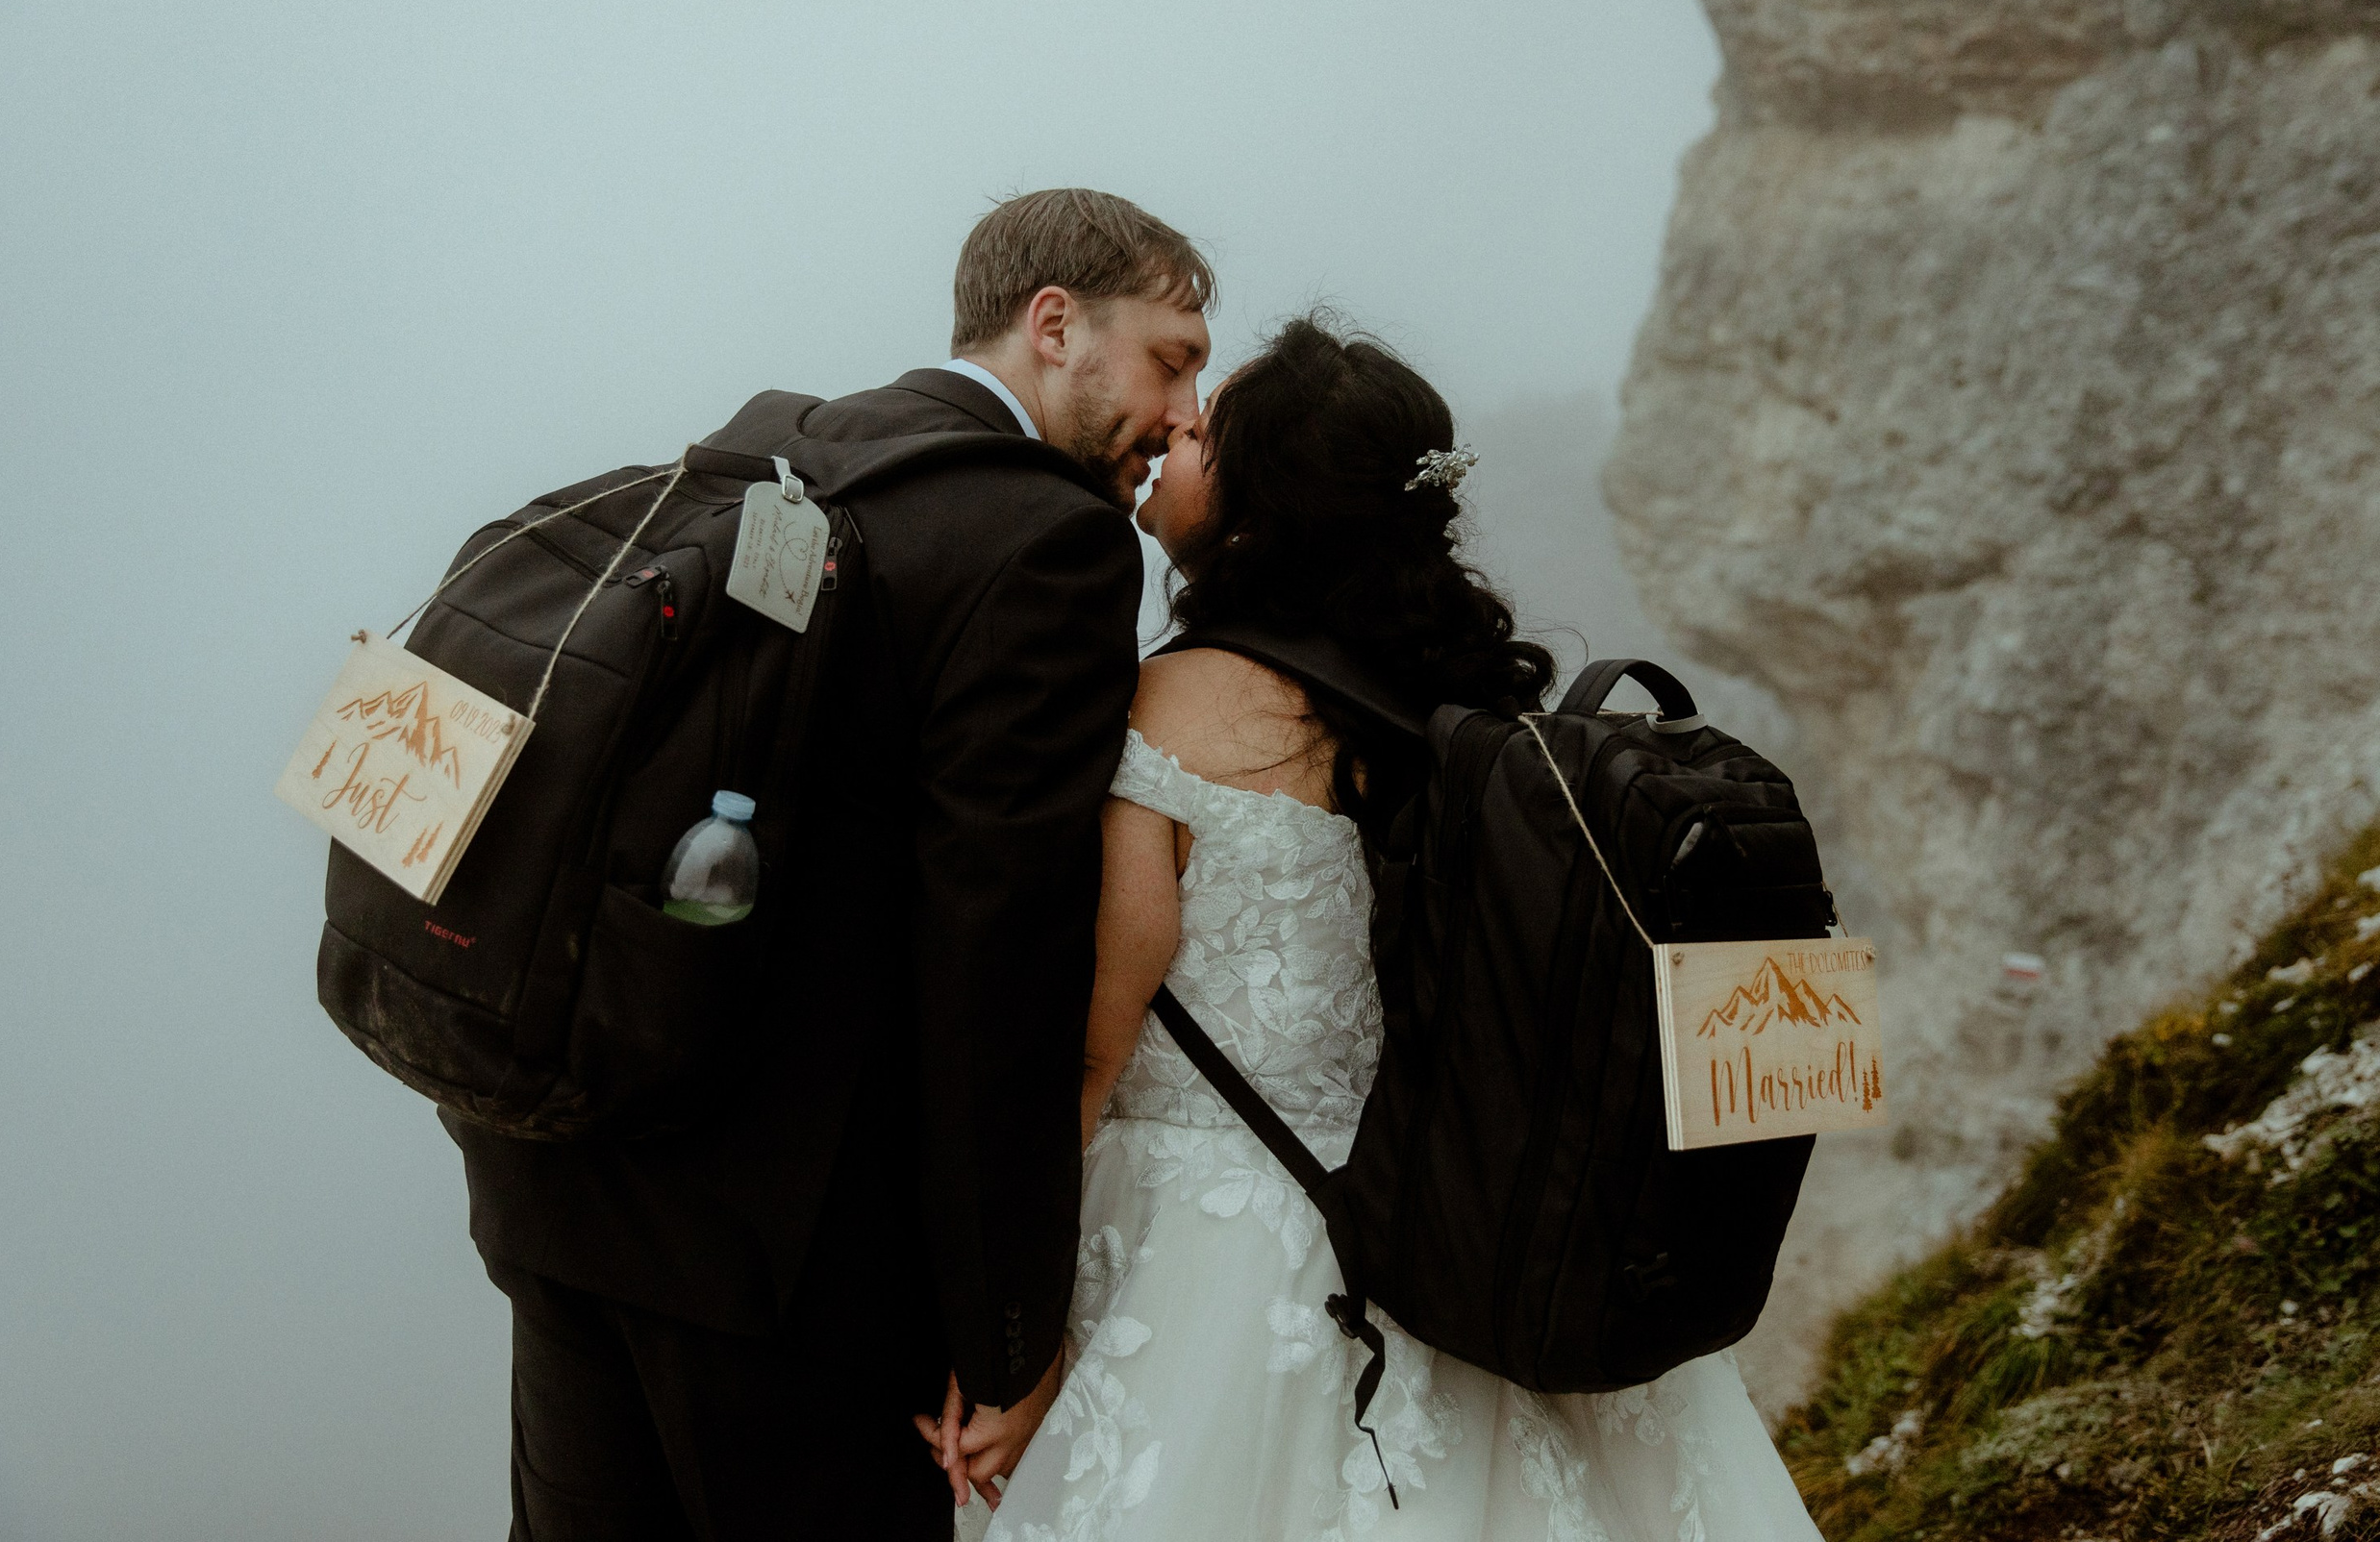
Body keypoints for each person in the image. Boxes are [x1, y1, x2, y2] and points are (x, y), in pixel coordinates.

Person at [929, 317, 1826, 1541]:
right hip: (1443, 1225)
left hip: (1206, 1265)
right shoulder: (1470, 709)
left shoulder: (1163, 708)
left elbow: (1087, 1051)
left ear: (1258, 510)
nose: (1174, 430)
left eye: (1205, 430)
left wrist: (1017, 1348)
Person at [447, 188, 1213, 1541]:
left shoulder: (769, 452)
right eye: (1172, 356)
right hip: (788, 1270)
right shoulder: (1044, 539)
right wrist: (1012, 1323)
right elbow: (999, 954)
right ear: (1055, 326)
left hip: (566, 1176)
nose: (1179, 406)